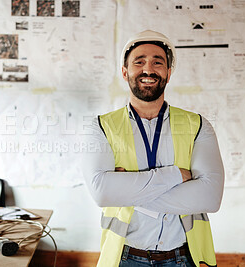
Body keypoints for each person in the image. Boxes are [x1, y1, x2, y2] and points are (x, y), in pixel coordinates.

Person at [83, 30, 224, 267]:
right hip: (125, 257)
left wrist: (127, 190)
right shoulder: (101, 126)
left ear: (168, 74)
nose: (148, 69)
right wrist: (175, 176)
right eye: (139, 62)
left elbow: (211, 198)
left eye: (158, 62)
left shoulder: (197, 125)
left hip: (183, 257)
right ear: (125, 72)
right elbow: (102, 193)